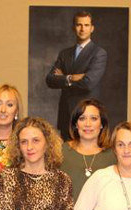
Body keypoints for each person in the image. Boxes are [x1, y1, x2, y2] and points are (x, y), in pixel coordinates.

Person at [45, 10, 107, 139]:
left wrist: (63, 77)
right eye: (79, 25)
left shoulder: (99, 53)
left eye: (86, 25)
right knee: (66, 156)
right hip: (66, 116)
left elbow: (88, 83)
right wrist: (71, 77)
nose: (82, 29)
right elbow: (50, 80)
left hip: (87, 116)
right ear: (74, 28)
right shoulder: (64, 54)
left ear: (92, 28)